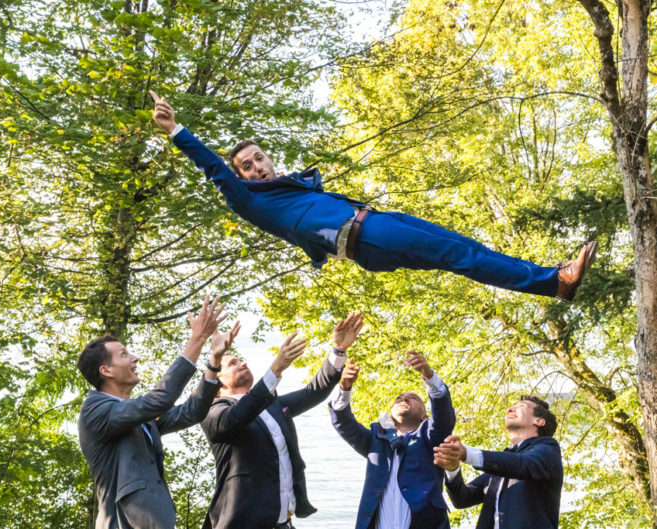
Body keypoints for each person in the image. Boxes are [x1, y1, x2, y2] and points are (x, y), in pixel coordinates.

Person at [150, 91, 596, 301]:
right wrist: (176, 131)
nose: (256, 167)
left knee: (464, 249)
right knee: (459, 254)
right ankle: (552, 282)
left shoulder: (291, 188)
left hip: (374, 223)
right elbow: (212, 166)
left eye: (259, 159)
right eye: (246, 166)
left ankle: (552, 279)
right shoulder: (249, 200)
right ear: (241, 177)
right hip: (365, 236)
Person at [77, 295, 239, 529]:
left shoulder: (133, 414)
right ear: (106, 370)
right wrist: (198, 338)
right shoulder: (96, 411)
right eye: (124, 354)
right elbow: (160, 399)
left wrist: (214, 363)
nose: (135, 358)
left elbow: (190, 412)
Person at [200, 311, 365, 529]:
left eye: (241, 360)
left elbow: (312, 392)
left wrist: (338, 351)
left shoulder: (272, 405)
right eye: (233, 363)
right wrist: (276, 368)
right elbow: (238, 416)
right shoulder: (214, 412)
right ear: (218, 384)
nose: (243, 364)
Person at [329, 352, 455, 529]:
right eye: (399, 398)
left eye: (413, 398)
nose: (404, 398)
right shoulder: (375, 438)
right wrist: (344, 388)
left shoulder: (431, 436)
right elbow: (344, 423)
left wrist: (429, 376)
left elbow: (444, 417)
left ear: (424, 416)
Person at [433, 396, 563, 529]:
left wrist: (467, 453)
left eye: (521, 406)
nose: (509, 409)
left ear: (539, 421)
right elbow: (462, 499)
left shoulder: (548, 449)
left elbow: (523, 464)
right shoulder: (502, 465)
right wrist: (452, 469)